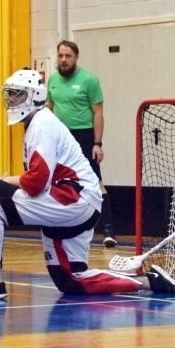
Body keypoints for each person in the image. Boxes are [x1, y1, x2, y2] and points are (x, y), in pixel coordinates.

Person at [0, 69, 175, 300]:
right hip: (79, 201)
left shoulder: (42, 124)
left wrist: (5, 180)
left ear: (34, 96)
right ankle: (149, 281)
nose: (12, 99)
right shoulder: (39, 122)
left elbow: (36, 183)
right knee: (70, 280)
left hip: (74, 199)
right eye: (11, 93)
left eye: (18, 94)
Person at [46, 40, 118, 246]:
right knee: (58, 181)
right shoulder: (52, 80)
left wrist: (97, 143)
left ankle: (108, 230)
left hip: (84, 137)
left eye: (68, 56)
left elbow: (98, 113)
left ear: (76, 57)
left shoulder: (89, 80)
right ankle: (62, 227)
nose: (63, 60)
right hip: (61, 138)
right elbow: (49, 111)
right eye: (60, 56)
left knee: (96, 182)